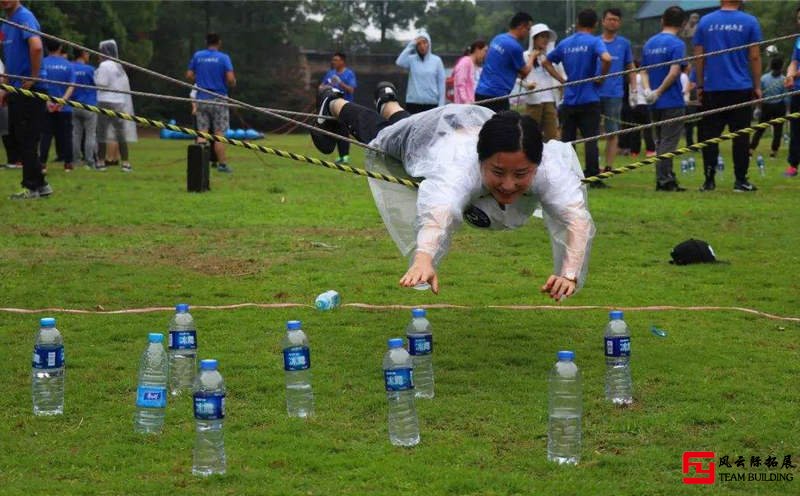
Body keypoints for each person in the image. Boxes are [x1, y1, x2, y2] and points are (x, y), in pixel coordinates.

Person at [310, 83, 595, 299]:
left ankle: (387, 99)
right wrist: (423, 259)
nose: (509, 185)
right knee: (381, 135)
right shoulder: (456, 168)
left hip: (462, 124)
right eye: (497, 172)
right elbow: (438, 214)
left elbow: (576, 220)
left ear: (537, 162)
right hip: (430, 139)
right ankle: (334, 102)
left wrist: (569, 274)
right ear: (480, 160)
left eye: (521, 174)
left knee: (397, 121)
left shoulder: (550, 168)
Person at [693, 0, 762, 192]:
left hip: (713, 88)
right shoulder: (750, 21)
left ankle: (709, 181)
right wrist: (757, 86)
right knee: (740, 136)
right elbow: (755, 56)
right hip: (740, 87)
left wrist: (700, 85)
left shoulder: (705, 22)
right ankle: (740, 181)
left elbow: (698, 56)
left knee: (710, 136)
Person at [543, 9, 611, 186]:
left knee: (568, 141)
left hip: (570, 99)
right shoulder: (595, 41)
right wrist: (601, 77)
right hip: (590, 99)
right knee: (590, 140)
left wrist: (562, 80)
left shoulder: (565, 43)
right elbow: (607, 58)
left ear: (578, 23)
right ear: (595, 24)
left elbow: (546, 62)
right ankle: (593, 177)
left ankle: (569, 176)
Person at [0, 0, 49, 199]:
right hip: (15, 88)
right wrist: (5, 86)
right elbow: (9, 56)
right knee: (20, 137)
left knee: (27, 138)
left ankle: (32, 187)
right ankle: (41, 184)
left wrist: (33, 77)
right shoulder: (6, 23)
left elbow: (36, 47)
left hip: (30, 88)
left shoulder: (24, 17)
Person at [642, 6, 688, 192]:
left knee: (660, 141)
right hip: (671, 99)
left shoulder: (649, 43)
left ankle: (666, 177)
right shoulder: (677, 44)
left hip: (653, 102)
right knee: (668, 142)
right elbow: (675, 71)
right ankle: (664, 180)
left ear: (662, 20)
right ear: (683, 24)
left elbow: (643, 71)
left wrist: (648, 91)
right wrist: (659, 91)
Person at [187, 33, 236, 173]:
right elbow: (231, 79)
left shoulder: (198, 56)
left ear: (206, 42)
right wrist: (231, 83)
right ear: (219, 42)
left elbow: (189, 75)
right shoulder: (224, 57)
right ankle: (222, 165)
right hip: (219, 99)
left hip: (201, 98)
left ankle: (199, 166)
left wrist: (202, 78)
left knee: (202, 133)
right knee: (219, 134)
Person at [597, 8, 634, 172]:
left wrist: (634, 90)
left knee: (613, 132)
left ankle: (608, 166)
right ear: (603, 21)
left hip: (615, 94)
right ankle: (592, 166)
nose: (613, 22)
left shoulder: (624, 43)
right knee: (592, 132)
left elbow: (630, 66)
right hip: (594, 93)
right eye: (610, 19)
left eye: (616, 20)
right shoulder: (595, 42)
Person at [475, 12, 535, 113]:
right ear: (521, 26)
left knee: (482, 127)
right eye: (528, 29)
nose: (528, 33)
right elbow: (524, 72)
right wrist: (533, 56)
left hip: (480, 92)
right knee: (501, 127)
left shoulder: (497, 38)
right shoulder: (515, 47)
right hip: (497, 96)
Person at [95, 39, 137, 172]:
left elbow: (102, 82)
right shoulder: (119, 65)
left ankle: (101, 162)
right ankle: (125, 163)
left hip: (105, 100)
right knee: (120, 133)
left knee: (102, 132)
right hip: (119, 102)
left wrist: (95, 75)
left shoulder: (104, 66)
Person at [519, 24, 562, 142]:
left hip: (550, 100)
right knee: (530, 134)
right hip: (534, 100)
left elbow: (560, 75)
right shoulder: (524, 56)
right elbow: (518, 78)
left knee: (552, 135)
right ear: (534, 38)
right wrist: (527, 85)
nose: (545, 40)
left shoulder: (551, 57)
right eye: (542, 36)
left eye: (547, 37)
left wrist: (561, 85)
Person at [39, 39, 75, 172]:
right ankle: (68, 164)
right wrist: (62, 102)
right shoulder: (68, 65)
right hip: (64, 108)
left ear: (47, 48)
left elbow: (40, 84)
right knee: (66, 136)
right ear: (60, 48)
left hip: (46, 106)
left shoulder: (42, 63)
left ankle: (42, 164)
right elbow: (72, 86)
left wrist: (48, 102)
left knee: (45, 135)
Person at [319, 52, 357, 165]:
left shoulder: (349, 74)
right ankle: (340, 156)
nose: (333, 62)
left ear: (342, 61)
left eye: (336, 60)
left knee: (343, 132)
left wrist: (340, 83)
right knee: (333, 131)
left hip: (345, 107)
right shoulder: (330, 73)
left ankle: (345, 156)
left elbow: (351, 90)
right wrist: (328, 86)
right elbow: (321, 87)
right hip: (331, 106)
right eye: (333, 60)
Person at [395, 31, 445, 114]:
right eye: (419, 44)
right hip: (413, 103)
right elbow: (399, 62)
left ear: (429, 44)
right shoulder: (411, 60)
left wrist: (441, 105)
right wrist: (412, 44)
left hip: (431, 104)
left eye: (425, 43)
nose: (422, 46)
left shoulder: (437, 61)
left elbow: (441, 84)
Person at [750, 57, 786, 159]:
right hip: (779, 106)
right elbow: (785, 96)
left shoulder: (764, 78)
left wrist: (758, 108)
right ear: (782, 67)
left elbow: (759, 95)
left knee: (760, 129)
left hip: (766, 106)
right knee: (778, 131)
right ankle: (773, 153)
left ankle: (751, 150)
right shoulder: (784, 79)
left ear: (770, 66)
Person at [71, 48, 97, 169]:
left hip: (73, 105)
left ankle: (76, 160)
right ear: (83, 54)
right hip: (89, 105)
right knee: (90, 135)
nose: (89, 55)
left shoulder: (70, 67)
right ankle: (89, 161)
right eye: (87, 53)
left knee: (76, 134)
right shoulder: (90, 69)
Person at [784, 7, 800, 178]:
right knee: (796, 129)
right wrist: (789, 74)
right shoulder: (798, 40)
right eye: (799, 18)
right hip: (797, 91)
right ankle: (793, 165)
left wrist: (795, 74)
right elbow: (794, 61)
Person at [628, 62, 656, 158]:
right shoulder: (642, 77)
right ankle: (650, 150)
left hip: (634, 105)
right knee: (647, 130)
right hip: (643, 104)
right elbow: (646, 90)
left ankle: (634, 151)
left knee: (635, 130)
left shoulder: (631, 78)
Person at [452, 40, 487, 104]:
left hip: (471, 103)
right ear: (477, 49)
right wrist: (465, 101)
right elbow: (460, 84)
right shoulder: (465, 62)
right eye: (484, 51)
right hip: (464, 105)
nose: (485, 54)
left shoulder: (472, 64)